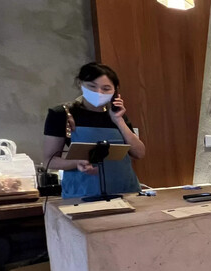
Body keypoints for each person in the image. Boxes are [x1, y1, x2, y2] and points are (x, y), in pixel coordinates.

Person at [43, 62, 146, 199]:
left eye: (106, 88)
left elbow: (139, 153)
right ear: (80, 84)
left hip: (125, 191)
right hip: (82, 193)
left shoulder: (117, 115)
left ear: (115, 91)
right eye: (92, 86)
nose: (99, 92)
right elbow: (49, 161)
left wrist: (118, 120)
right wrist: (76, 163)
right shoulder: (62, 114)